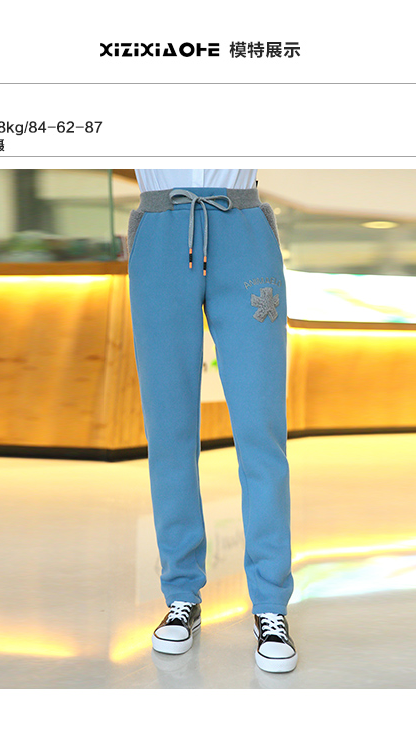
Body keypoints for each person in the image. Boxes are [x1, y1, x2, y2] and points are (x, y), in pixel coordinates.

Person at [128, 169, 297, 673]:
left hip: (242, 227)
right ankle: (181, 594)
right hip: (160, 233)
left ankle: (271, 604)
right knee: (169, 435)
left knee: (261, 433)